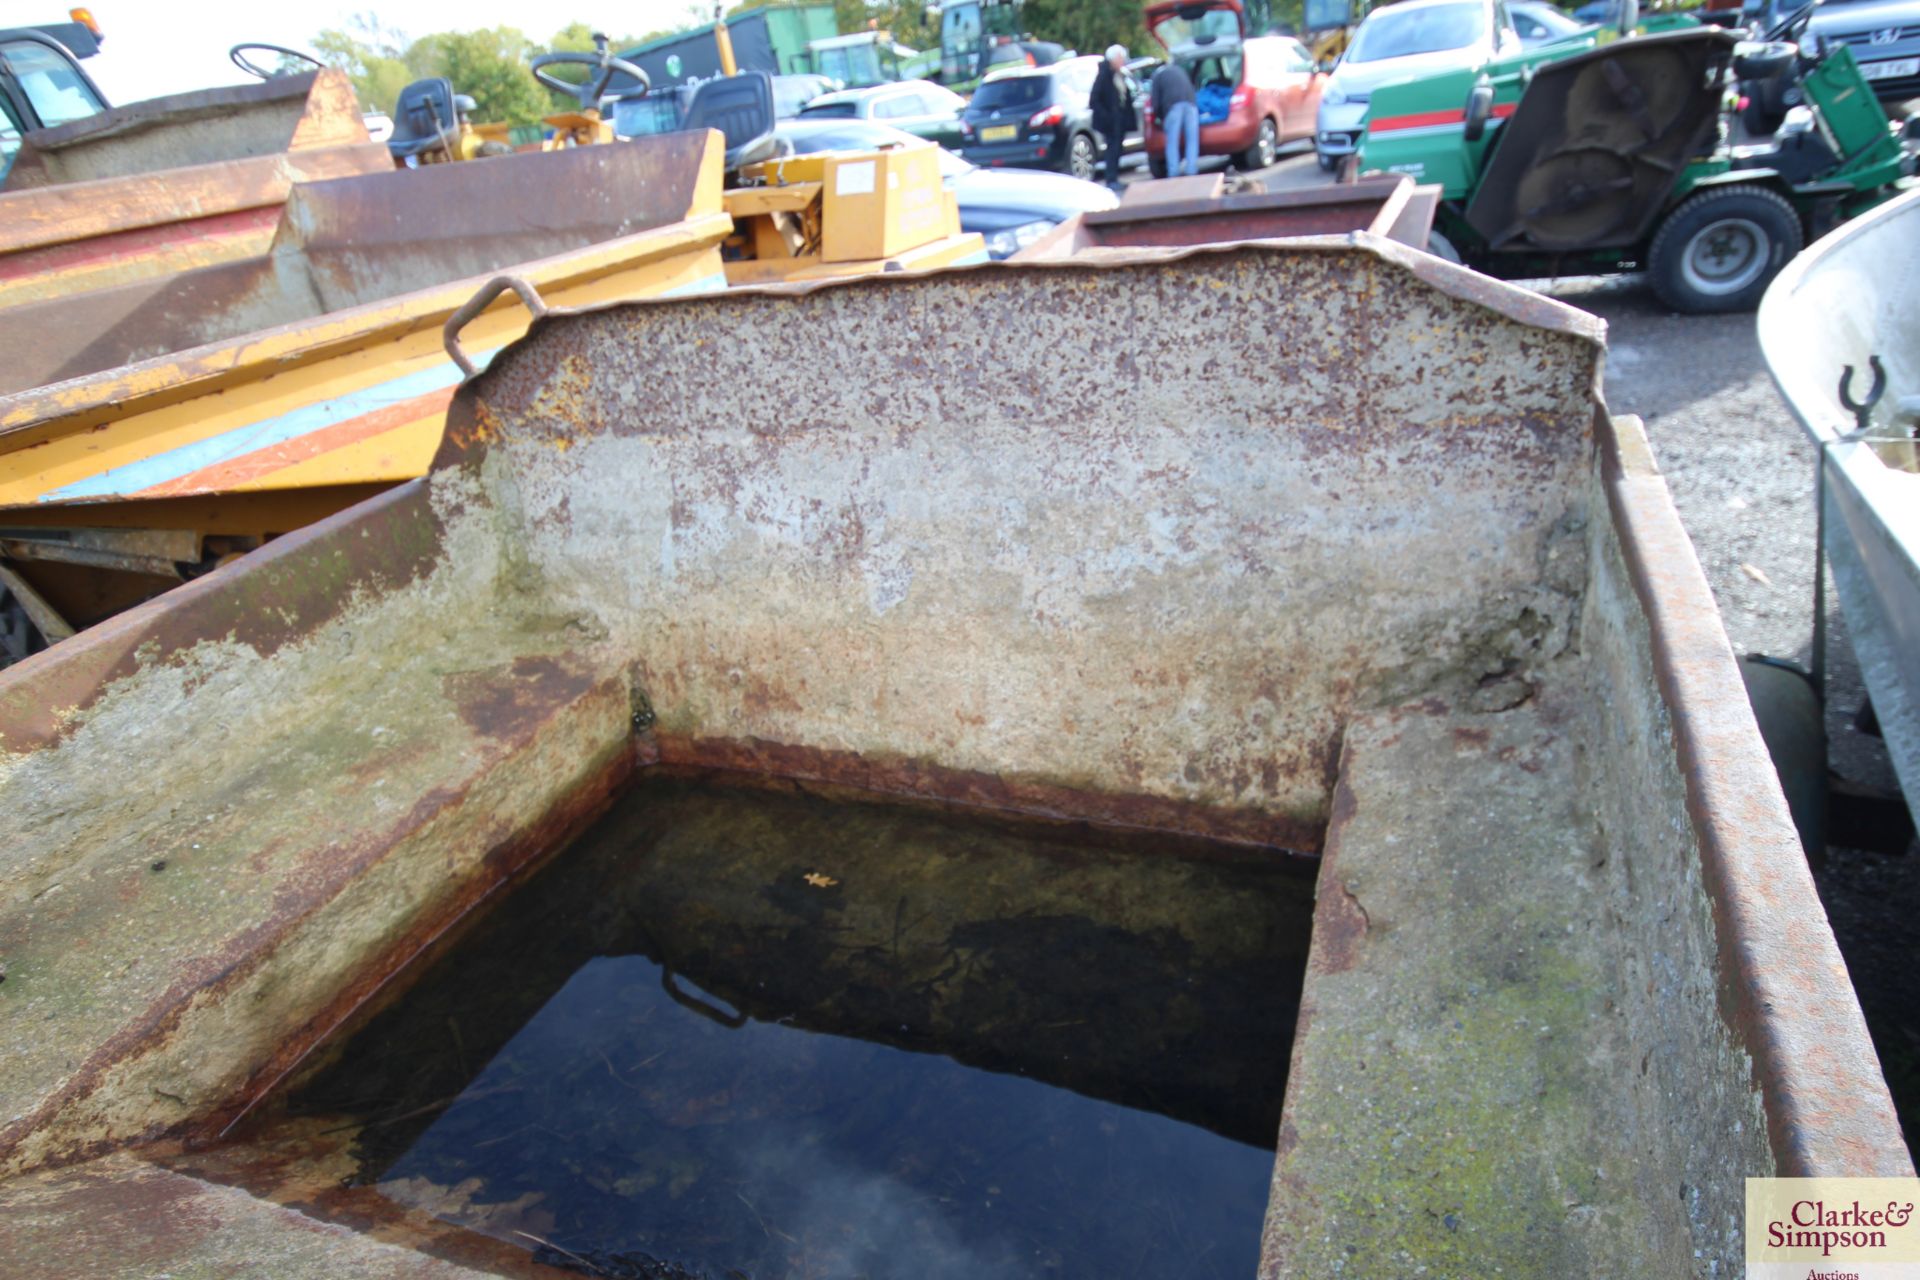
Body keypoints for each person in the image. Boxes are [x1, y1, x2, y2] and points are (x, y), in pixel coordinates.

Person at [1089, 44, 1134, 187]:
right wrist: (1107, 117)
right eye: (1121, 58)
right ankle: (1111, 179)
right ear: (1113, 59)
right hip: (1110, 121)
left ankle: (1114, 178)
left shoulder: (1118, 74)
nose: (1123, 61)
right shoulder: (1104, 75)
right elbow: (1094, 99)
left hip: (1119, 119)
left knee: (1117, 149)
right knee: (1112, 149)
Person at [1150, 60, 1198, 178]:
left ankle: (1173, 172)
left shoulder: (1157, 76)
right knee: (1192, 139)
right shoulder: (1179, 70)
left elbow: (1155, 102)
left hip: (1173, 107)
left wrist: (1160, 118)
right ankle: (1191, 169)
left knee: (1172, 142)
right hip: (1191, 104)